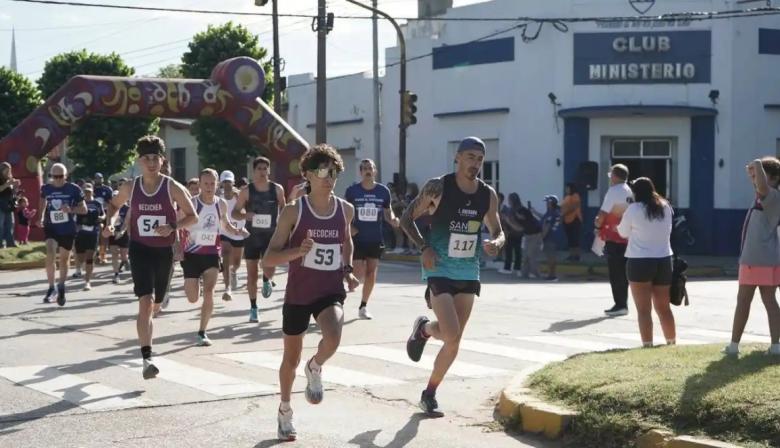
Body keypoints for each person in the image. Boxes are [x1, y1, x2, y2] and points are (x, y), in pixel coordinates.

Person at [401, 136, 504, 416]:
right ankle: (424, 332)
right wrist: (424, 247)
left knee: (453, 340)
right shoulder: (438, 187)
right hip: (439, 268)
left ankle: (429, 391)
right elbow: (406, 218)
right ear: (457, 158)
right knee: (451, 332)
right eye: (470, 157)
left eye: (480, 159)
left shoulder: (487, 194)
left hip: (468, 270)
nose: (476, 163)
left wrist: (497, 243)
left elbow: (498, 229)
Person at [263, 144, 360, 441]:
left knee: (333, 335)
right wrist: (297, 250)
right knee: (290, 360)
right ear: (307, 174)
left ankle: (315, 366)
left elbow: (346, 242)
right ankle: (285, 410)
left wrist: (348, 269)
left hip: (329, 289)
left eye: (333, 172)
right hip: (298, 294)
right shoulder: (294, 211)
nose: (328, 177)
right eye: (321, 171)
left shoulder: (345, 209)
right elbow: (269, 258)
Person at [104, 135, 198, 380]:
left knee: (156, 304)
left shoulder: (171, 187)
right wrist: (110, 224)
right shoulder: (130, 187)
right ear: (139, 161)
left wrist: (173, 226)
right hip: (140, 249)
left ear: (162, 160)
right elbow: (114, 206)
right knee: (144, 303)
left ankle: (161, 299)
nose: (152, 163)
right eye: (147, 158)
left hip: (163, 251)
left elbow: (193, 216)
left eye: (156, 158)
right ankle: (147, 357)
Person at [181, 169, 244, 346]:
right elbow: (179, 226)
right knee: (193, 298)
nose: (209, 187)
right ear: (199, 184)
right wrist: (177, 248)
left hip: (211, 254)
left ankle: (202, 332)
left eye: (212, 184)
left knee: (209, 293)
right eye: (206, 184)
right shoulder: (191, 203)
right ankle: (194, 285)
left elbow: (225, 224)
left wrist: (236, 231)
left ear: (217, 185)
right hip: (191, 254)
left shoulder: (221, 204)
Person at [724, 157, 780, 356]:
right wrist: (754, 171)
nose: (756, 180)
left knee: (744, 301)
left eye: (760, 176)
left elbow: (762, 185)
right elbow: (758, 182)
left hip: (755, 260)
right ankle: (775, 346)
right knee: (769, 301)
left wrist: (757, 162)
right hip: (766, 258)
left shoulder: (770, 194)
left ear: (772, 178)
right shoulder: (766, 195)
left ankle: (733, 346)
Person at [617, 177, 676, 347]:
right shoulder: (665, 207)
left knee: (644, 310)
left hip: (639, 262)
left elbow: (622, 233)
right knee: (664, 308)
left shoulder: (633, 209)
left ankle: (648, 344)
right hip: (664, 260)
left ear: (635, 193)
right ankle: (671, 342)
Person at [232, 156, 286, 323]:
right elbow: (235, 212)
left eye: (265, 168)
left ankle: (267, 280)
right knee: (251, 274)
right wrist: (245, 215)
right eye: (259, 169)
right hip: (252, 237)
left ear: (269, 170)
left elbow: (284, 209)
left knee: (269, 269)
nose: (262, 172)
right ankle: (254, 308)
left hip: (271, 236)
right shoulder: (246, 191)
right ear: (253, 171)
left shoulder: (277, 189)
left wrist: (284, 229)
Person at [345, 159, 399, 319]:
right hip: (357, 237)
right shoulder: (352, 191)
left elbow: (388, 212)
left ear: (375, 171)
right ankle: (343, 284)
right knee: (358, 272)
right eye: (365, 168)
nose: (368, 171)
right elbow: (345, 212)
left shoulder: (383, 191)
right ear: (360, 172)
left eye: (371, 168)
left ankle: (363, 306)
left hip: (375, 238)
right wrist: (349, 227)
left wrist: (394, 220)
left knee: (371, 273)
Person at [36, 163, 87, 305]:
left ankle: (61, 285)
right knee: (50, 251)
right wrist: (40, 217)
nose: (57, 180)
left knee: (64, 259)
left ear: (66, 176)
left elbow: (84, 209)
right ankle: (51, 287)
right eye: (54, 177)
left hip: (67, 229)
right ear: (51, 176)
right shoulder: (46, 188)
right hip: (51, 227)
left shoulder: (74, 189)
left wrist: (70, 209)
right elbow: (42, 201)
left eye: (60, 177)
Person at [596, 164, 634, 317]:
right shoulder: (630, 190)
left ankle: (620, 305)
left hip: (615, 237)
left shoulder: (613, 191)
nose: (610, 177)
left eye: (611, 174)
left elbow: (603, 213)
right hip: (629, 238)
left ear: (615, 176)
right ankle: (623, 303)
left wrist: (597, 224)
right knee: (624, 274)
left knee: (615, 273)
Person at [219, 170, 247, 302]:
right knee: (225, 256)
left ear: (233, 182)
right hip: (224, 230)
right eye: (224, 182)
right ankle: (227, 288)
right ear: (221, 183)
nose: (227, 184)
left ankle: (234, 272)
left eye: (229, 181)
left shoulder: (239, 195)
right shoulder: (218, 197)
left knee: (236, 263)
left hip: (238, 231)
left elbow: (246, 211)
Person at [73, 184, 105, 290]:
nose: (87, 193)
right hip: (81, 232)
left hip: (93, 231)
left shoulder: (97, 203)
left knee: (90, 257)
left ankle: (87, 282)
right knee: (81, 257)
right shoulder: (79, 203)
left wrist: (101, 218)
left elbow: (103, 214)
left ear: (92, 192)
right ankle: (83, 266)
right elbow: (73, 215)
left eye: (89, 191)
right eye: (85, 191)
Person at [516, 199, 543, 279]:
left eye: (519, 215)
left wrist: (508, 221)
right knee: (525, 256)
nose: (517, 216)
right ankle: (524, 273)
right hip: (528, 237)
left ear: (523, 215)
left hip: (535, 237)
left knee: (532, 256)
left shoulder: (531, 221)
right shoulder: (522, 220)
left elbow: (519, 229)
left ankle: (536, 273)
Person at [498, 193, 524, 275]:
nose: (508, 201)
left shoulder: (513, 210)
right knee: (517, 251)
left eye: (509, 199)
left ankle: (507, 268)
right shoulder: (520, 208)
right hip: (519, 233)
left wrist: (506, 219)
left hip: (512, 233)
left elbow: (512, 221)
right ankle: (517, 268)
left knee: (509, 250)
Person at [93, 173, 114, 264]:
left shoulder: (107, 189)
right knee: (94, 235)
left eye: (100, 178)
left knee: (104, 236)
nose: (98, 179)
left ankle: (103, 255)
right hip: (93, 215)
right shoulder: (91, 189)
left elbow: (111, 203)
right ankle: (95, 254)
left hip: (105, 213)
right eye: (97, 178)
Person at [541, 195, 563, 282]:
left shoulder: (551, 214)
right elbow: (544, 219)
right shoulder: (555, 212)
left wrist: (542, 237)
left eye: (547, 202)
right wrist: (534, 211)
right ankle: (551, 274)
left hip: (550, 238)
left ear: (550, 203)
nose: (546, 204)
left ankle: (552, 275)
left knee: (550, 258)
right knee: (552, 257)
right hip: (554, 238)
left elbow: (547, 227)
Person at [108, 195, 130, 284]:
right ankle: (116, 274)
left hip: (123, 233)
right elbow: (108, 220)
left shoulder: (127, 208)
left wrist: (121, 232)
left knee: (124, 256)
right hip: (113, 233)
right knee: (114, 254)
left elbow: (127, 222)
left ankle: (126, 262)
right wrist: (110, 229)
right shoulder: (111, 208)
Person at [0, 162, 20, 248]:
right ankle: (0, 243)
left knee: (10, 223)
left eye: (9, 170)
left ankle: (10, 242)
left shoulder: (10, 178)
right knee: (0, 224)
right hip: (0, 203)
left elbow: (13, 192)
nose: (8, 172)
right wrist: (7, 184)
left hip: (8, 203)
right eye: (6, 170)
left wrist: (15, 187)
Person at [561, 182, 583, 261]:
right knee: (570, 238)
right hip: (566, 220)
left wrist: (564, 213)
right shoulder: (566, 197)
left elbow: (574, 206)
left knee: (575, 238)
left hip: (575, 219)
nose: (566, 190)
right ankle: (571, 255)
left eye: (567, 188)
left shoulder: (575, 196)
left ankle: (577, 255)